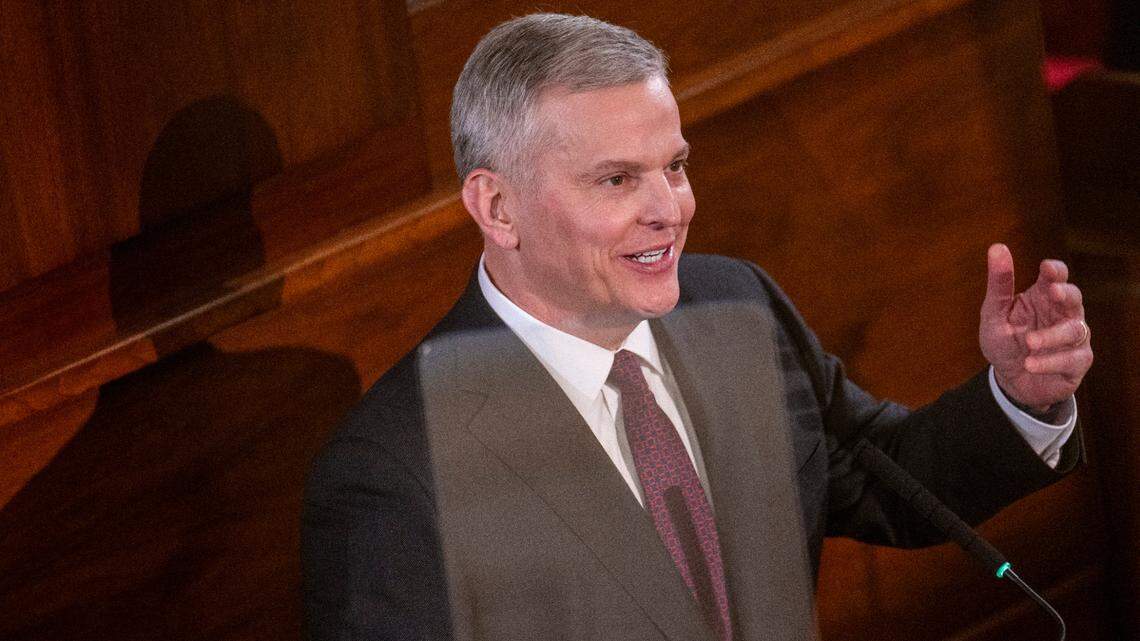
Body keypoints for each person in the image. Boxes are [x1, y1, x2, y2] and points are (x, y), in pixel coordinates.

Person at [302, 13, 1093, 641]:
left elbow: (886, 475)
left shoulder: (731, 307)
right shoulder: (399, 473)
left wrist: (1018, 398)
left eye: (673, 167)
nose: (669, 210)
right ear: (497, 207)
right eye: (616, 179)